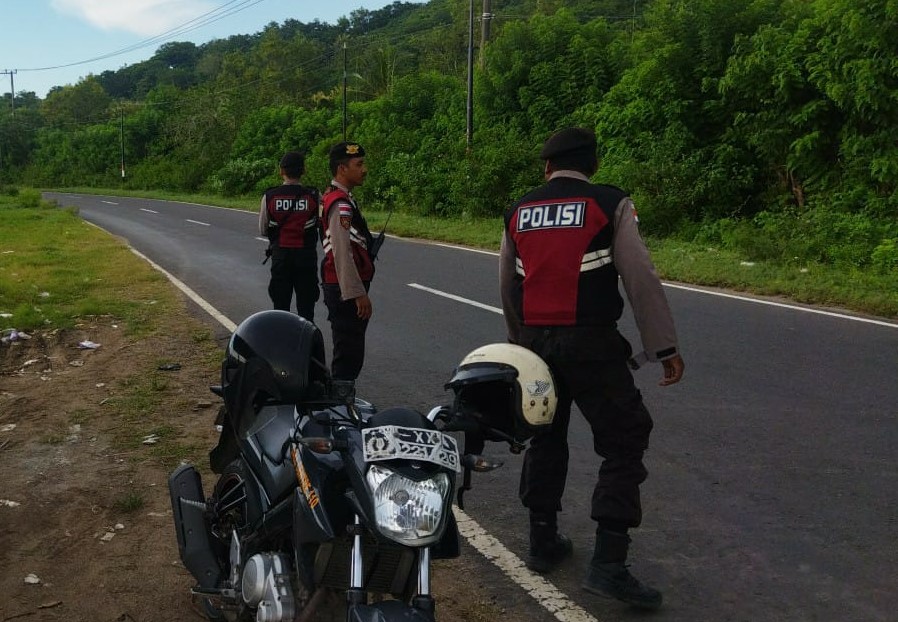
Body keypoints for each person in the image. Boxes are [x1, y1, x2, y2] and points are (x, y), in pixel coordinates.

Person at [499, 127, 685, 611]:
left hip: (538, 345)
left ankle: (542, 543)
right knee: (625, 440)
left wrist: (521, 349)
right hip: (594, 344)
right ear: (593, 164)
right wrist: (662, 346)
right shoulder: (610, 203)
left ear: (546, 167)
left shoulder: (520, 209)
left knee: (545, 434)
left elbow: (508, 284)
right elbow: (639, 275)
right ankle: (608, 566)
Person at [319, 141, 375, 381]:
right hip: (344, 290)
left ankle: (341, 403)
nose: (364, 169)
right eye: (358, 164)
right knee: (349, 356)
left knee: (349, 352)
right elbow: (342, 251)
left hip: (340, 286)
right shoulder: (341, 204)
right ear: (342, 169)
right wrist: (356, 292)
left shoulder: (339, 198)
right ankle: (339, 407)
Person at [259, 151, 320, 322]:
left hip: (281, 259)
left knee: (280, 310)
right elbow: (320, 224)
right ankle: (307, 346)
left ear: (281, 171)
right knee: (307, 312)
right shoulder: (313, 195)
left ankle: (282, 345)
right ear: (304, 171)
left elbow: (263, 229)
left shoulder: (270, 196)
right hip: (306, 260)